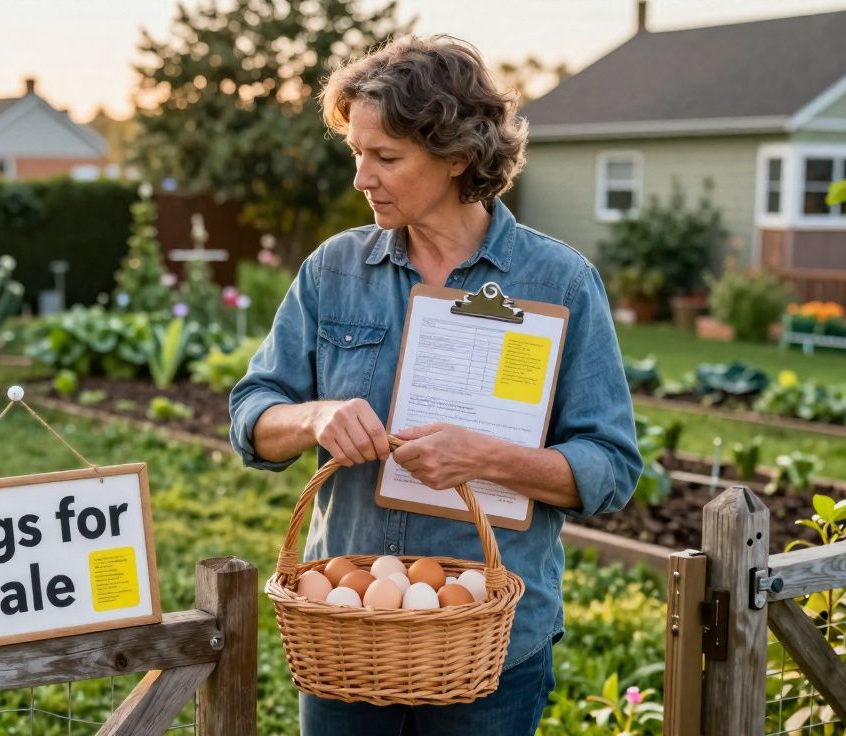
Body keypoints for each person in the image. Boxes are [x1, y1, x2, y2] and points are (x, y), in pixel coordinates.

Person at [228, 34, 642, 735]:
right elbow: (251, 417)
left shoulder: (558, 282)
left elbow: (610, 470)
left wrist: (484, 459)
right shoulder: (334, 272)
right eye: (356, 153)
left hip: (492, 647)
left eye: (386, 157)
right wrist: (314, 418)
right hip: (349, 633)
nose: (362, 176)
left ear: (457, 157)